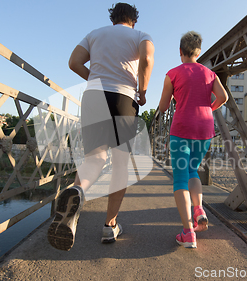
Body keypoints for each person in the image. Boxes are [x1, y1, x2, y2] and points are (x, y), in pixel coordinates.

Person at [47, 2, 154, 251]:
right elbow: (147, 58)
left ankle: (77, 191)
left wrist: (95, 80)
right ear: (133, 20)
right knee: (120, 163)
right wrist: (143, 91)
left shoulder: (94, 34)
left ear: (113, 18)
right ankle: (109, 225)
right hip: (123, 98)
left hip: (93, 97)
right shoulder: (140, 35)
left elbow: (74, 62)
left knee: (94, 158)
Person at [158, 31, 227, 248]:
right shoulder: (210, 74)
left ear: (180, 51)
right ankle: (199, 210)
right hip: (204, 128)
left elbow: (162, 107)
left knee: (180, 179)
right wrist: (208, 108)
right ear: (198, 52)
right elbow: (223, 98)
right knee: (193, 170)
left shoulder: (172, 74)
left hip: (182, 128)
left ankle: (188, 233)